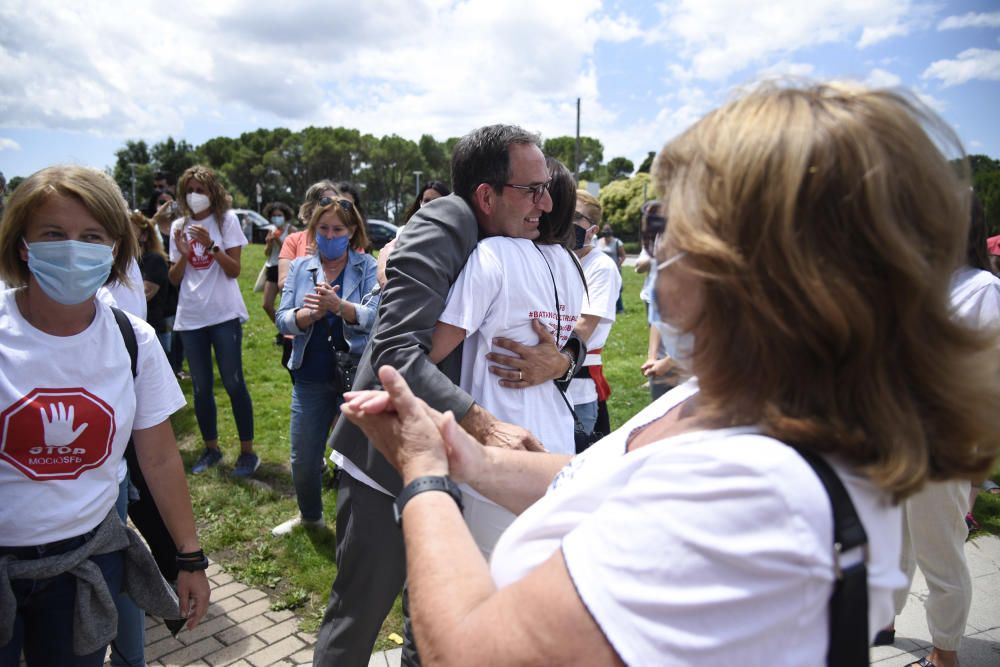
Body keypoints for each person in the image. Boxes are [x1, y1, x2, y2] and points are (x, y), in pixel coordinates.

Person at [338, 83, 1000, 665]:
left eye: (669, 218)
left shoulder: (755, 496)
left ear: (754, 264)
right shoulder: (730, 395)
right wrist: (470, 459)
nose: (656, 245)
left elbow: (473, 652)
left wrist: (423, 476)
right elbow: (586, 480)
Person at [313, 124, 586, 667]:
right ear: (487, 195)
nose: (547, 201)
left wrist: (564, 359)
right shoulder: (447, 220)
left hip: (455, 464)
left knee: (433, 620)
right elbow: (395, 351)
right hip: (388, 461)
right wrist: (484, 425)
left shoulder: (514, 244)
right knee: (360, 616)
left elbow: (560, 332)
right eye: (533, 190)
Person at [0, 165, 210, 666]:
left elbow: (158, 457)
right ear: (23, 244)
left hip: (83, 569)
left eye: (91, 236)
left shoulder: (131, 339)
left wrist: (189, 556)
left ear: (115, 248)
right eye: (54, 233)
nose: (73, 248)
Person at [426, 158, 581, 557]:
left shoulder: (494, 254)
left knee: (488, 578)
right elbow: (576, 338)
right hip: (557, 442)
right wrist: (563, 360)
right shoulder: (573, 264)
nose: (537, 201)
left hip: (497, 447)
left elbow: (429, 350)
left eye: (538, 190)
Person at [882, 193, 1000, 667]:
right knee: (894, 540)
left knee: (940, 552)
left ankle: (944, 652)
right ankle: (884, 619)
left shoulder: (982, 290)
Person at [272, 198, 378, 536]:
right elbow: (282, 318)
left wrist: (341, 307)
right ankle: (310, 518)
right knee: (303, 456)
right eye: (323, 229)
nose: (330, 236)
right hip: (310, 373)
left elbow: (376, 318)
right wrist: (310, 315)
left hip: (356, 375)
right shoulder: (302, 268)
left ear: (351, 232)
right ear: (313, 231)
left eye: (338, 230)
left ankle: (358, 526)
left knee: (357, 459)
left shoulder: (368, 267)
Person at [168, 165, 257, 477]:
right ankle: (211, 449)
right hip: (191, 316)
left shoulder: (226, 221)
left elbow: (234, 270)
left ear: (213, 193)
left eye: (200, 189)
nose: (194, 195)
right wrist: (182, 254)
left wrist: (211, 245)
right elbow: (174, 279)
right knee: (202, 387)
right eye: (189, 189)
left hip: (223, 313)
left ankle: (247, 453)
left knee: (233, 382)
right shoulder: (179, 226)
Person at [567, 190, 621, 441]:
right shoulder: (558, 258)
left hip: (579, 385)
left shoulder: (602, 267)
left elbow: (582, 329)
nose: (567, 220)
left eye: (576, 217)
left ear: (593, 230)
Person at [278, 180, 339, 291]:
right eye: (326, 202)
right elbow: (283, 283)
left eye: (335, 203)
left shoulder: (348, 241)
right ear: (310, 208)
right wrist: (312, 263)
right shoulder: (293, 241)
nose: (332, 207)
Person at [261, 201, 295, 323]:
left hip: (286, 269)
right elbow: (266, 253)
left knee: (286, 306)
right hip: (272, 267)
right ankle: (282, 328)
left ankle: (288, 333)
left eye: (279, 215)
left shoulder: (291, 230)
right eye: (274, 215)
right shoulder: (272, 230)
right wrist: (270, 243)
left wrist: (278, 241)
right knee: (267, 305)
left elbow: (291, 252)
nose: (276, 218)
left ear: (285, 216)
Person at [593, 220, 626, 313]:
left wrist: (617, 265)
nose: (606, 234)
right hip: (602, 270)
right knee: (603, 288)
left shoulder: (617, 242)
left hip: (615, 269)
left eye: (608, 231)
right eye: (605, 231)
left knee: (616, 288)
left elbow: (623, 256)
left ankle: (620, 308)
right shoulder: (598, 242)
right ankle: (606, 308)